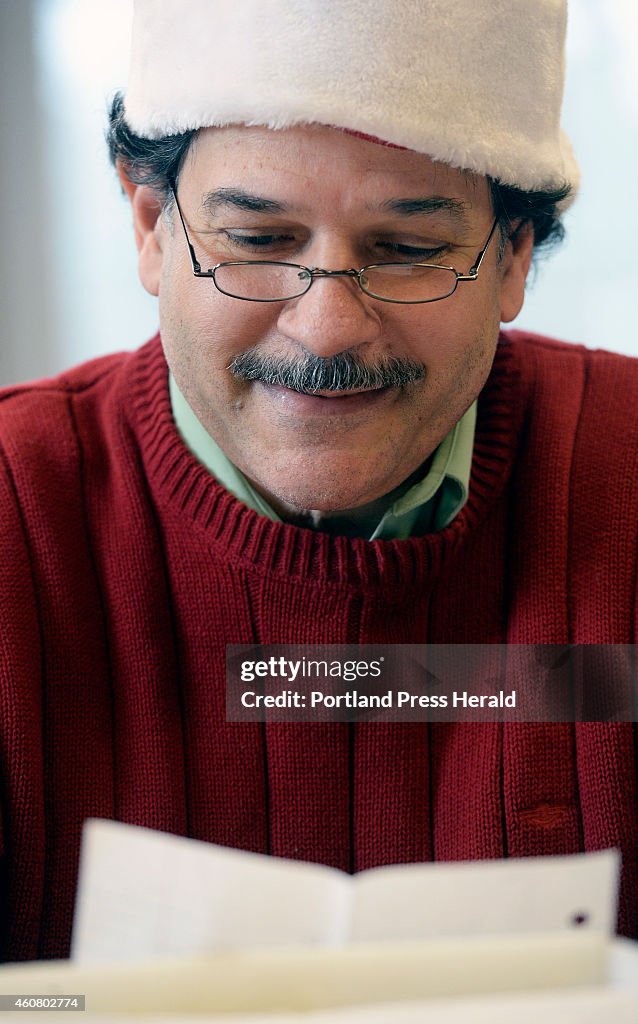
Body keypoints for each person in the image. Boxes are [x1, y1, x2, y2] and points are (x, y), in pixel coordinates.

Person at [1, 0, 637, 963]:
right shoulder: (16, 512)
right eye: (257, 242)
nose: (327, 327)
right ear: (150, 229)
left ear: (512, 257)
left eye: (411, 249)